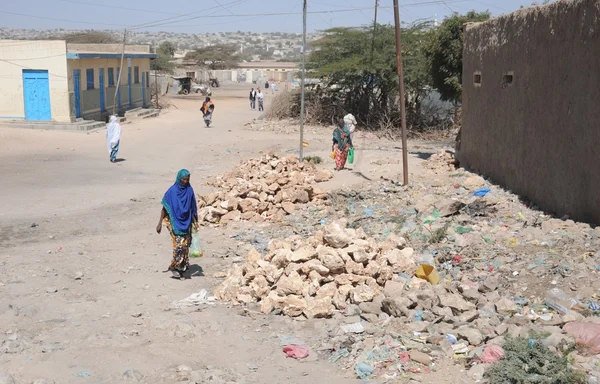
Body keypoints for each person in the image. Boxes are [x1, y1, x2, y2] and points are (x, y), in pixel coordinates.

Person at [156, 169, 198, 279]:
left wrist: (195, 221)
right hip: (174, 221)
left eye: (187, 179)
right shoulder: (172, 191)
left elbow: (192, 206)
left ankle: (179, 266)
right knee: (180, 245)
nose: (185, 181)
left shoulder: (189, 190)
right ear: (179, 179)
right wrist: (159, 223)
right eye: (183, 179)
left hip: (186, 221)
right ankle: (177, 267)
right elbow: (165, 208)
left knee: (186, 245)